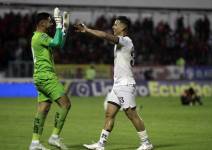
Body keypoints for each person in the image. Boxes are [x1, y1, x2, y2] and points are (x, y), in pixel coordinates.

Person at [75, 16, 153, 150]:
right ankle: (100, 144)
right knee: (109, 114)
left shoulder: (127, 41)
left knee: (131, 114)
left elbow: (105, 36)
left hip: (125, 84)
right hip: (117, 85)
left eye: (116, 25)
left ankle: (146, 143)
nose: (113, 27)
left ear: (123, 27)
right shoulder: (120, 43)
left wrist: (87, 30)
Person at [29, 8, 71, 150]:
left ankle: (35, 143)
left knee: (43, 109)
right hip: (46, 77)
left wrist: (64, 29)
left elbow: (59, 44)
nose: (51, 23)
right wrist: (59, 25)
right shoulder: (41, 37)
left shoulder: (39, 37)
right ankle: (54, 137)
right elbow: (55, 42)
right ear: (41, 23)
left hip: (39, 78)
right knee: (65, 104)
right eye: (49, 21)